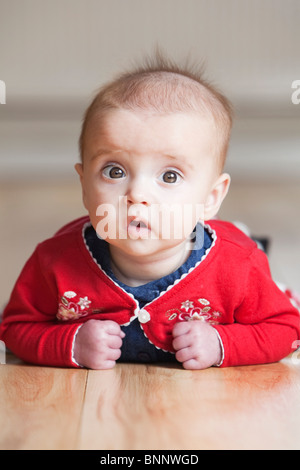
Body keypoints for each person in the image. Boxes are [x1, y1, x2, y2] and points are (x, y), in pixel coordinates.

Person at [0, 53, 299, 369]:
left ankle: (244, 236)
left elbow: (287, 330)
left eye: (170, 176)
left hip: (226, 252)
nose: (137, 194)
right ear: (84, 184)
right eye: (114, 171)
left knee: (261, 276)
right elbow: (14, 327)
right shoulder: (54, 263)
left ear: (210, 197)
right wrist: (72, 343)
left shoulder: (238, 268)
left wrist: (221, 344)